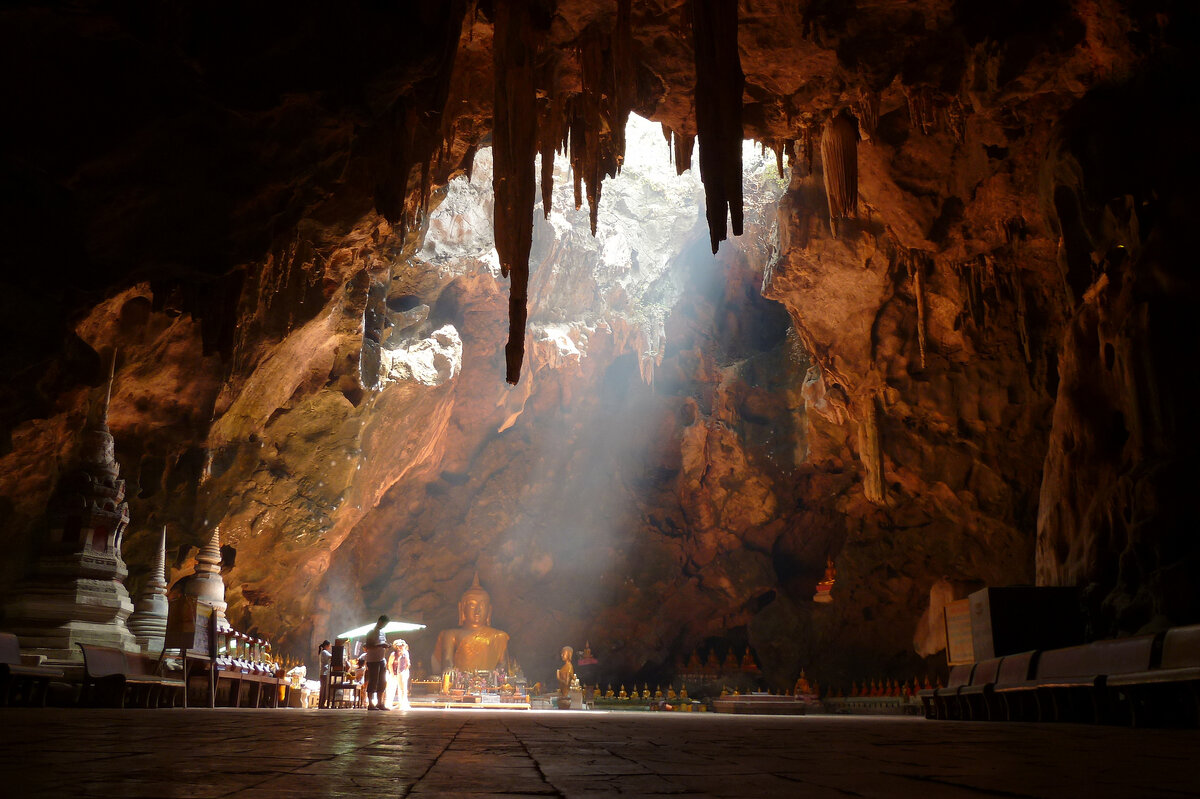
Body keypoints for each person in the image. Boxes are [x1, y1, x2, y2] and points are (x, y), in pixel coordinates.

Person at [432, 574, 509, 673]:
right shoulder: (450, 634)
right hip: (460, 682)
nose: (477, 611)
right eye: (472, 605)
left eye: (482, 606)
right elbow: (447, 661)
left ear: (489, 610)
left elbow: (503, 665)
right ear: (462, 608)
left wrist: (495, 676)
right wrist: (449, 670)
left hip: (488, 683)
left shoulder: (499, 636)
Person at [362, 615, 390, 710]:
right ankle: (370, 704)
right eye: (384, 623)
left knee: (382, 682)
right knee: (373, 681)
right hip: (373, 660)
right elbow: (368, 646)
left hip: (381, 659)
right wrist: (380, 645)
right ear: (379, 621)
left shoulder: (383, 632)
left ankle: (379, 703)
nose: (384, 625)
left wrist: (385, 646)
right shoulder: (371, 632)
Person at [387, 639, 411, 710]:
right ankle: (388, 704)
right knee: (391, 688)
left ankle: (402, 703)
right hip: (394, 673)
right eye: (399, 646)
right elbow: (390, 664)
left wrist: (405, 671)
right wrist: (392, 673)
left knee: (402, 689)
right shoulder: (393, 654)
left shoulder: (405, 653)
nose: (400, 647)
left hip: (402, 673)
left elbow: (408, 663)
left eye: (402, 645)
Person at [317, 640, 332, 709]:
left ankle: (321, 704)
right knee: (323, 689)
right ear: (326, 646)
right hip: (324, 673)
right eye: (329, 646)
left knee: (323, 689)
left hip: (323, 673)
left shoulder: (323, 652)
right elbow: (332, 657)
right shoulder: (324, 652)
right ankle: (321, 704)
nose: (329, 647)